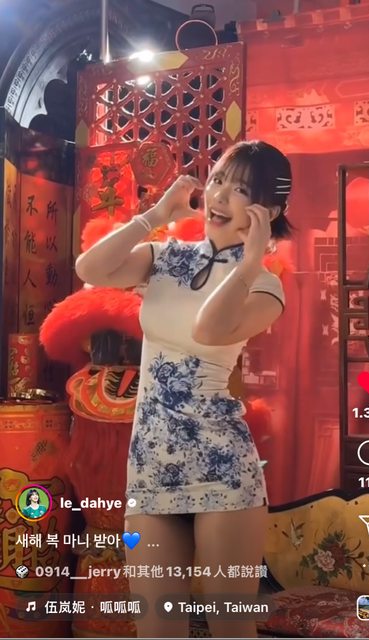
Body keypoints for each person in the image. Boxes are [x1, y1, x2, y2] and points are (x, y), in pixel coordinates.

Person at [75, 140, 293, 638]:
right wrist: (155, 215)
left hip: (222, 469)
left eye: (241, 190)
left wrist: (248, 263)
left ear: (270, 211)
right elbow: (90, 269)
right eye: (217, 180)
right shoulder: (167, 257)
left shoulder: (265, 285)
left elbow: (209, 331)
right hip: (151, 464)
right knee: (156, 630)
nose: (220, 195)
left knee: (229, 629)